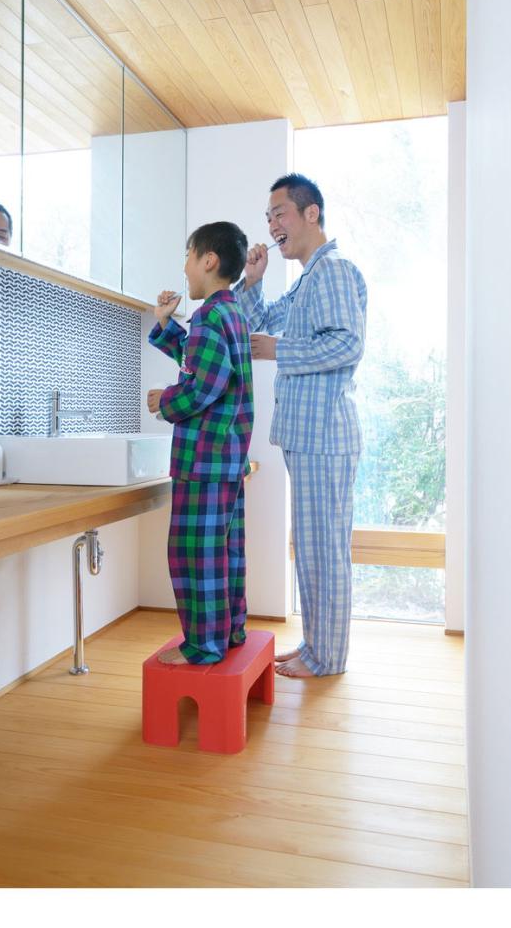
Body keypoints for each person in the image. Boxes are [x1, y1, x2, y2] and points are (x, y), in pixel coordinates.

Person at [236, 173, 367, 678]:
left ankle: (327, 657)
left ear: (311, 213)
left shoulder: (332, 270)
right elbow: (261, 323)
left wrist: (280, 351)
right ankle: (316, 646)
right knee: (313, 549)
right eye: (268, 217)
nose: (272, 225)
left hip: (324, 437)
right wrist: (253, 280)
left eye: (280, 213)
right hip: (309, 436)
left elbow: (347, 344)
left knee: (324, 551)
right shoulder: (309, 278)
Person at [147, 221, 254, 666]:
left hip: (203, 460)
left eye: (188, 256)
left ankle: (203, 646)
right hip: (226, 459)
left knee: (193, 554)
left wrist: (165, 401)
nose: (185, 268)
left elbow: (205, 384)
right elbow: (202, 362)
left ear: (209, 260)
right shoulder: (230, 313)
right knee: (224, 550)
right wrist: (165, 323)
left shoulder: (209, 316)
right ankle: (229, 631)